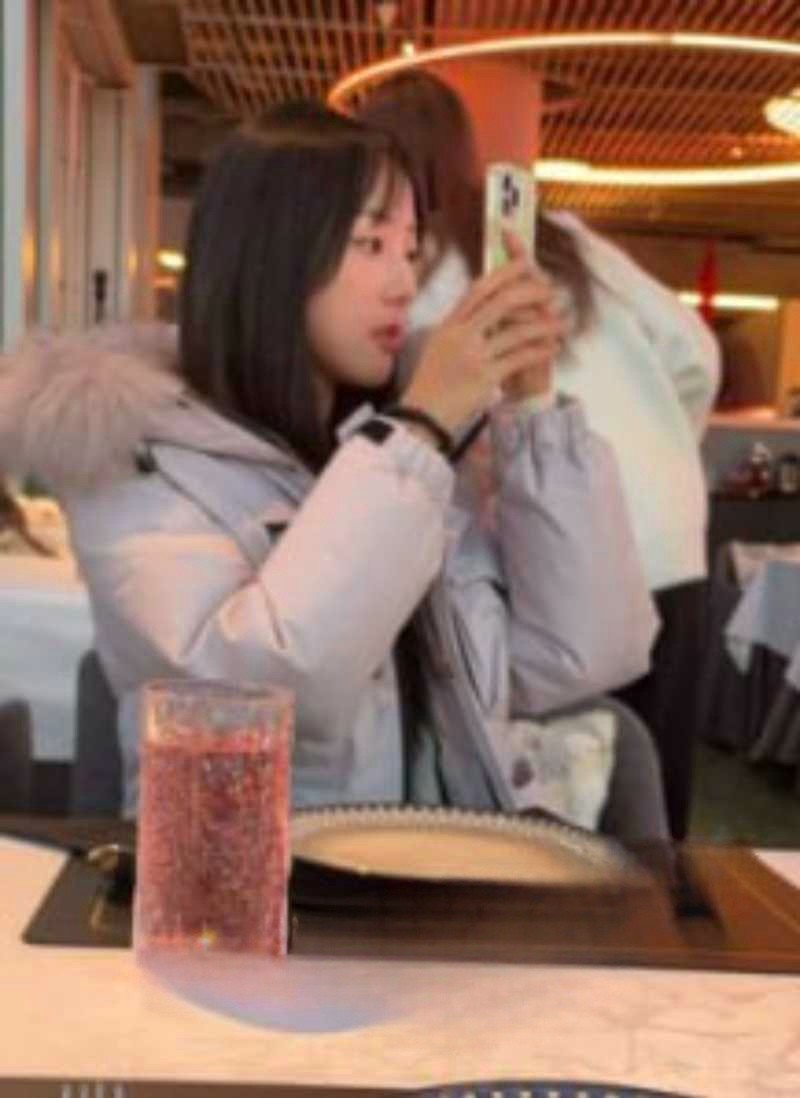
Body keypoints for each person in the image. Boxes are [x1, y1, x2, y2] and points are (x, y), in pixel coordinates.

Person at [0, 101, 663, 839]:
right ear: (271, 253)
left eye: (410, 249)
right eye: (370, 243)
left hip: (430, 872)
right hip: (253, 887)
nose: (403, 282)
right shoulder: (138, 456)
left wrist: (534, 410)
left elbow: (579, 656)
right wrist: (418, 432)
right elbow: (264, 696)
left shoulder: (404, 456)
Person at [356, 72, 720, 840]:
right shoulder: (560, 237)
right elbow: (696, 352)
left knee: (565, 792)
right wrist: (662, 450)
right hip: (668, 535)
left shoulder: (415, 270)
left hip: (558, 547)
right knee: (653, 804)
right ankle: (660, 905)